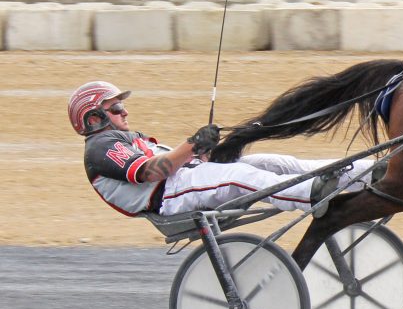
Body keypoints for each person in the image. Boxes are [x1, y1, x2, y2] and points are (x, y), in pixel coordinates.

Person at [68, 81, 373, 218]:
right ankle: (310, 195)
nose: (125, 112)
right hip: (168, 197)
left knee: (273, 162)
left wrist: (205, 150)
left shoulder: (127, 138)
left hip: (185, 181)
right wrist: (192, 144)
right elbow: (151, 172)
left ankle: (367, 172)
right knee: (239, 176)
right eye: (117, 107)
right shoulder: (101, 148)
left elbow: (176, 162)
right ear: (94, 118)